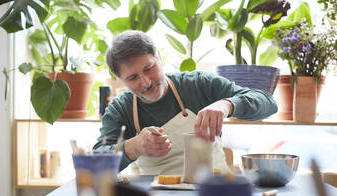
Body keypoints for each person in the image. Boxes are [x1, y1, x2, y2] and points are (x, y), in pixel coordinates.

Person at [93, 30, 277, 175]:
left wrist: (227, 104)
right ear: (120, 79)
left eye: (149, 68)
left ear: (159, 57)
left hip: (215, 188)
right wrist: (134, 146)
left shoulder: (198, 84)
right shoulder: (120, 109)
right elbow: (93, 165)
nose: (146, 82)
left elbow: (269, 102)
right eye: (133, 78)